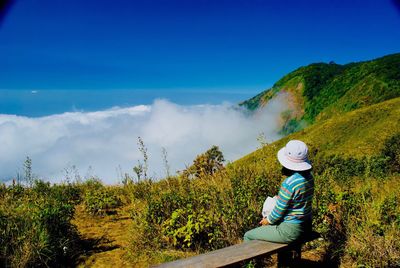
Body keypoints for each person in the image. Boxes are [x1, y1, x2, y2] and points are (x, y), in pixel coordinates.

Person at [243, 140, 314, 243]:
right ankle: (286, 259)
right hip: (307, 226)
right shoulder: (309, 177)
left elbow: (278, 212)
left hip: (291, 231)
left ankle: (256, 259)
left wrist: (267, 221)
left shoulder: (289, 183)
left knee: (248, 235)